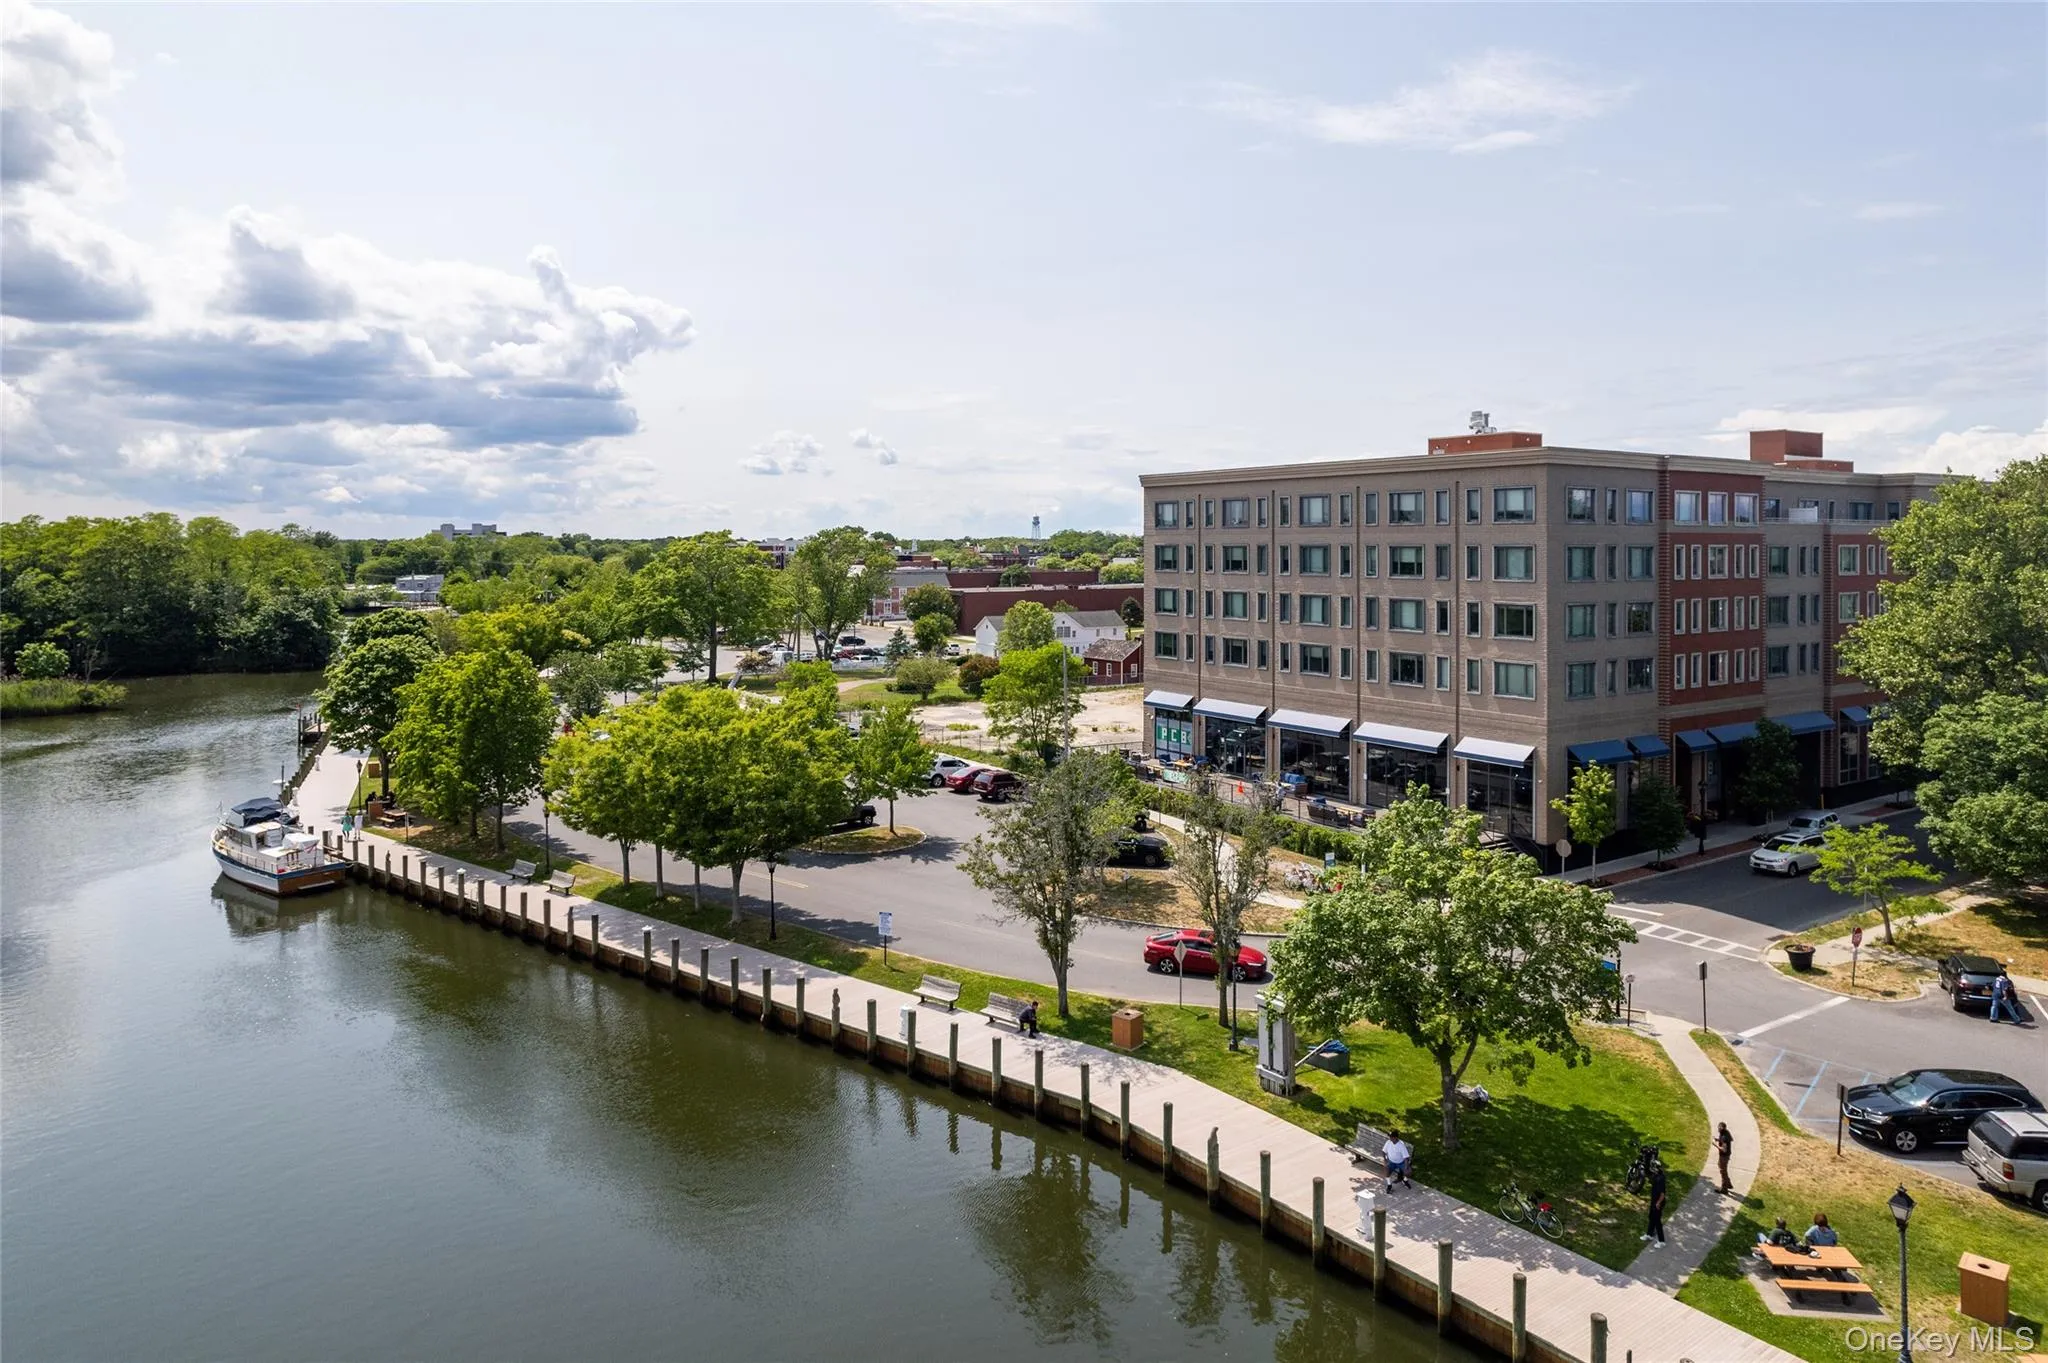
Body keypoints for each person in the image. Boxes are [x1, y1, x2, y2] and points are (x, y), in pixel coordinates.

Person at [1642, 1162, 1668, 1247]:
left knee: (1657, 1221)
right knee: (1651, 1217)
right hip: (1654, 1201)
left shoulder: (1661, 1179)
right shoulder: (1656, 1176)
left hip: (1658, 1202)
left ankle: (1661, 1241)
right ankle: (1649, 1234)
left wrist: (1658, 1203)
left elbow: (1662, 1194)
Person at [1715, 1121, 1735, 1194]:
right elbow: (1731, 1139)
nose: (1718, 1129)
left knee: (1723, 1171)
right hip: (1727, 1155)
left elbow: (1724, 1149)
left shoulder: (1724, 1137)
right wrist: (1718, 1139)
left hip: (1724, 1156)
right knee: (1721, 1167)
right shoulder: (1726, 1132)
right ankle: (1728, 1184)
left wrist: (1715, 1145)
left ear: (1722, 1129)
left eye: (1719, 1128)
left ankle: (1724, 1189)